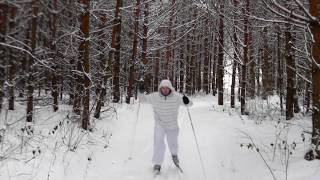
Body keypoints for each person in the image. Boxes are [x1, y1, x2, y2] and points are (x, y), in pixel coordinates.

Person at [138, 79, 193, 174]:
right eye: (163, 88)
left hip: (172, 125)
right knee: (158, 144)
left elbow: (190, 104)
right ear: (160, 88)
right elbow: (142, 100)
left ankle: (174, 155)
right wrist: (141, 92)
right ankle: (157, 164)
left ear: (170, 88)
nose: (164, 90)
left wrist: (186, 100)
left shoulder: (176, 97)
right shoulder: (155, 96)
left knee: (173, 143)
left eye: (166, 88)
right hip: (160, 125)